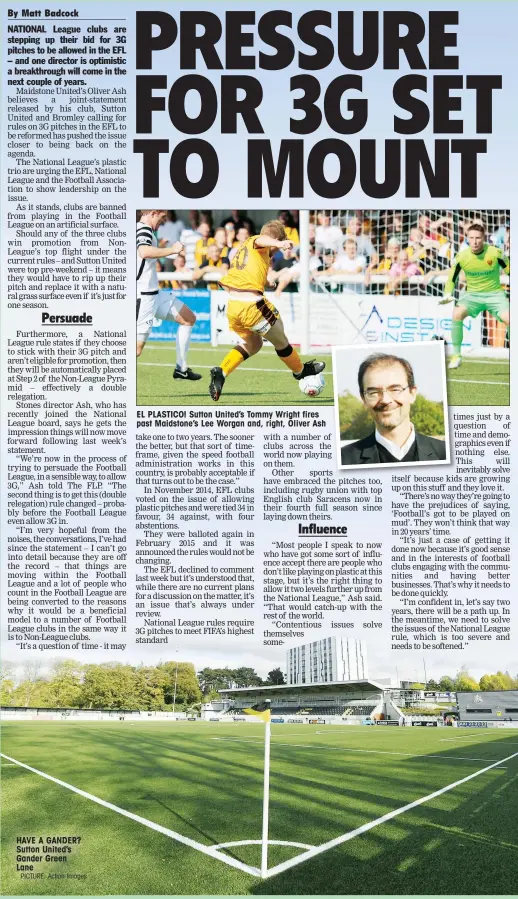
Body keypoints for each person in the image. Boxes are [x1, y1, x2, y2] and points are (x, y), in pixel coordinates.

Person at [209, 219, 325, 401]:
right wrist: (279, 242)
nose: (278, 250)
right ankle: (301, 371)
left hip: (233, 305)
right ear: (275, 238)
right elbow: (262, 239)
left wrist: (265, 280)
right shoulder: (257, 240)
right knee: (281, 340)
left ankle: (221, 371)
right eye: (278, 245)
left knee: (254, 344)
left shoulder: (246, 248)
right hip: (251, 305)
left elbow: (245, 272)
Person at [340, 353, 447, 465]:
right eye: (374, 392)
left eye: (395, 389)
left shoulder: (445, 453)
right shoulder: (344, 459)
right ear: (364, 399)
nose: (385, 400)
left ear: (412, 394)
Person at [136, 210, 201, 380]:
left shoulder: (147, 231)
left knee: (188, 318)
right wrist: (172, 250)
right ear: (153, 213)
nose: (164, 222)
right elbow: (144, 252)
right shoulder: (142, 229)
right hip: (143, 297)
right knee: (136, 350)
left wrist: (164, 248)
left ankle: (181, 368)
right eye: (162, 217)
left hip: (154, 293)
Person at [439, 222, 510, 369]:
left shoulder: (495, 253)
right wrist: (447, 293)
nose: (475, 241)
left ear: (483, 238)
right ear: (467, 238)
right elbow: (452, 278)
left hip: (495, 294)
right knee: (456, 313)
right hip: (472, 296)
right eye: (471, 238)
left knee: (510, 318)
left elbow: (510, 271)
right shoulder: (462, 257)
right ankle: (457, 355)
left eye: (478, 238)